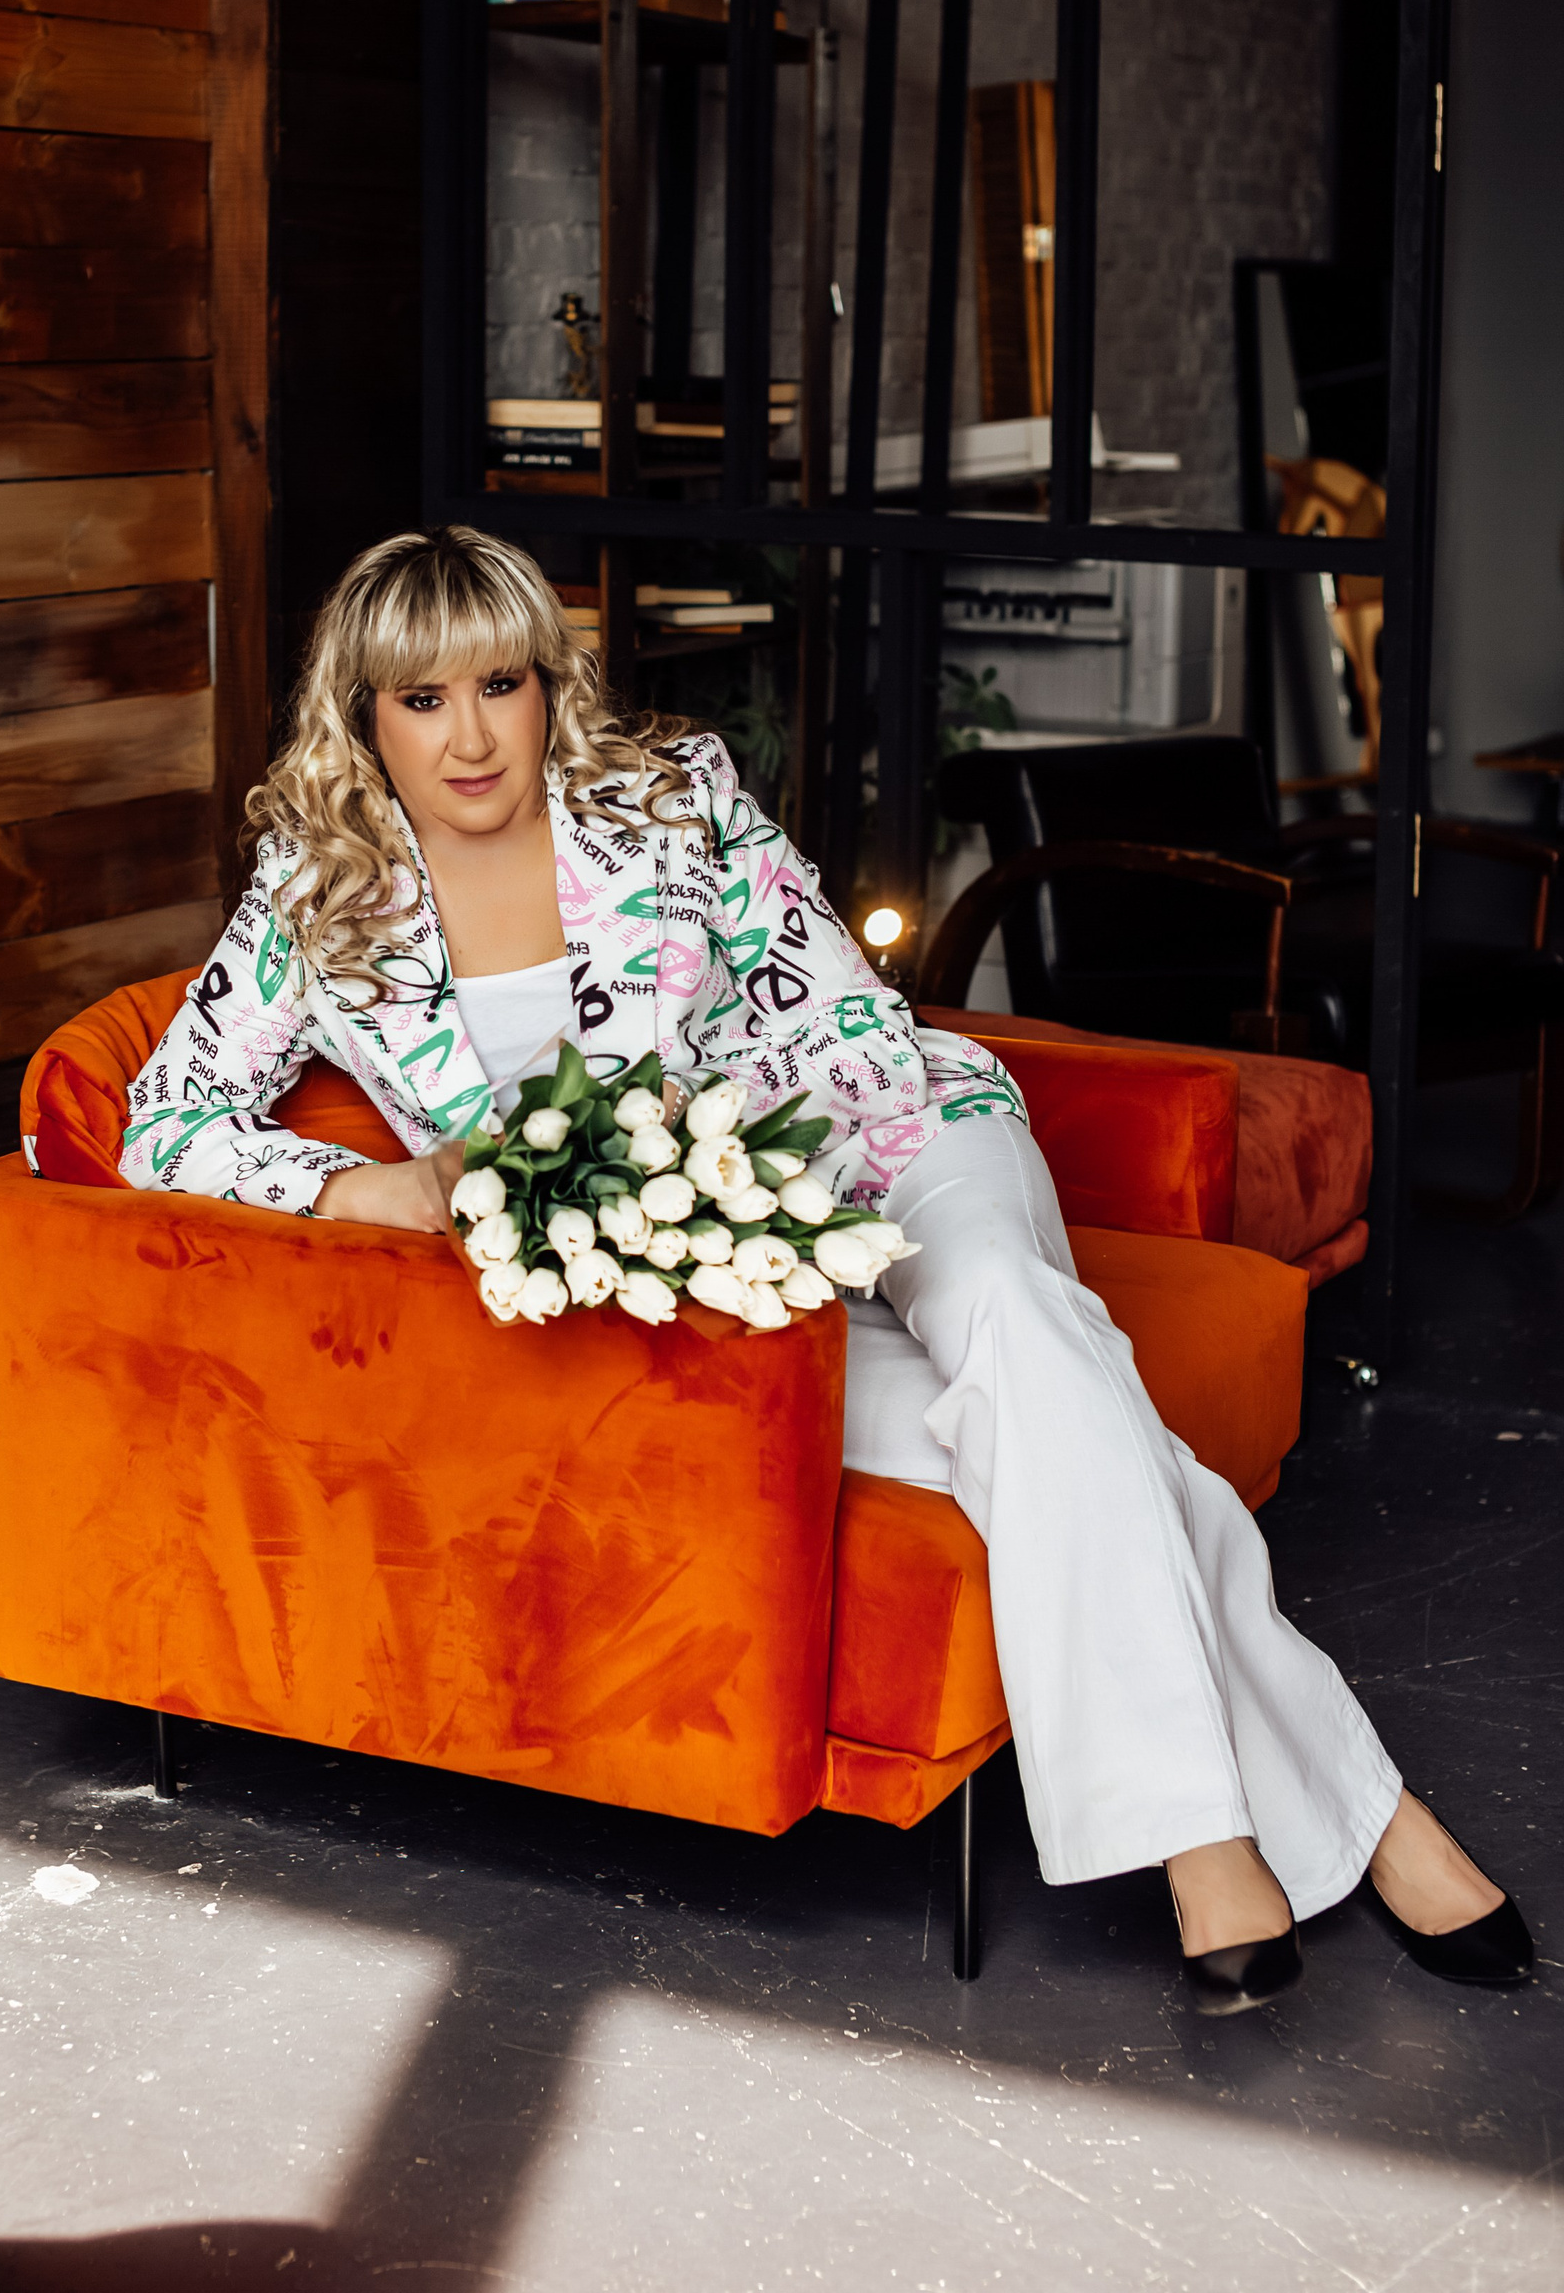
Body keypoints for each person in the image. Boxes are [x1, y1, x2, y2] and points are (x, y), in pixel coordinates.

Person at [121, 525, 1532, 2014]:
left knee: (1007, 1313)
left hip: (891, 1139)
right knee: (1051, 1409)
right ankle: (1375, 1817)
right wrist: (382, 1188)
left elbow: (847, 1015)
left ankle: (1199, 1840)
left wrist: (730, 1152)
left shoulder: (668, 798)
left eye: (501, 685)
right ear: (364, 717)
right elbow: (165, 1122)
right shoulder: (318, 900)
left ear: (547, 686)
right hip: (708, 1279)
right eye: (423, 701)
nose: (471, 738)